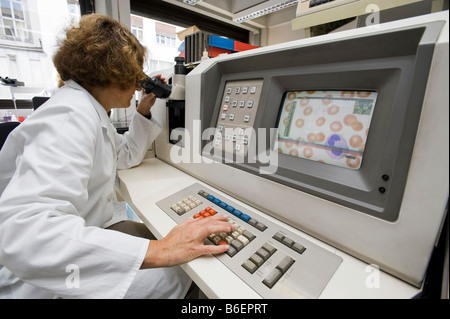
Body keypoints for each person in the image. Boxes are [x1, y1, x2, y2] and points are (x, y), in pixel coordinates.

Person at [0, 14, 233, 299]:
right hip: (46, 279)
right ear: (113, 72)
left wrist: (144, 111)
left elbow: (122, 155)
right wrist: (162, 250)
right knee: (187, 270)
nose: (138, 86)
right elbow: (25, 234)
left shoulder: (86, 110)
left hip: (77, 243)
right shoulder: (69, 117)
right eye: (135, 75)